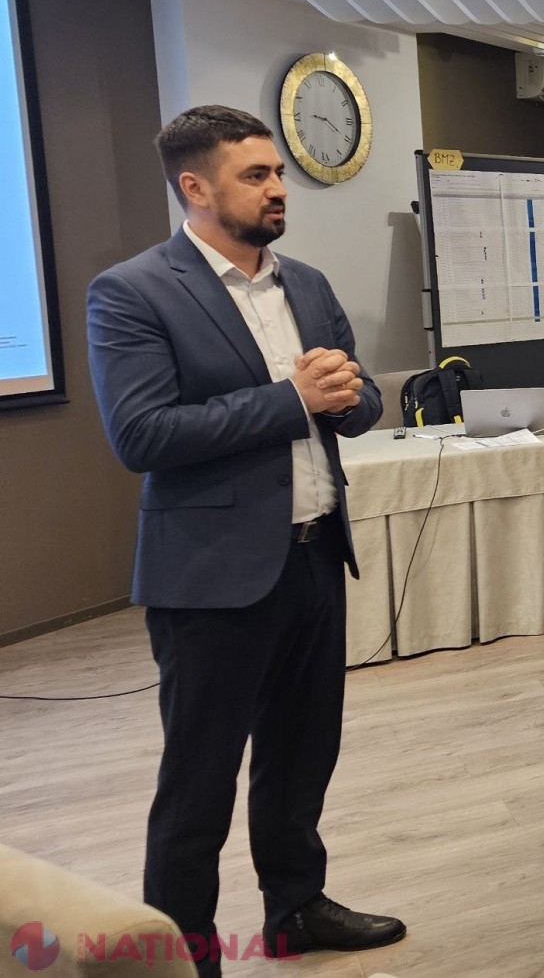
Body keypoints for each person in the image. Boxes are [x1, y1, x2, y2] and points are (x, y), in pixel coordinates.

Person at [85, 106, 400, 977]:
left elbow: (362, 400)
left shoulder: (308, 284)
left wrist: (348, 395)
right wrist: (292, 398)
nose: (277, 188)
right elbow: (142, 434)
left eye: (278, 173)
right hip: (210, 578)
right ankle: (179, 954)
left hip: (314, 556)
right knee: (198, 784)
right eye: (255, 175)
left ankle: (295, 908)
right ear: (195, 186)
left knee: (302, 757)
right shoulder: (133, 291)